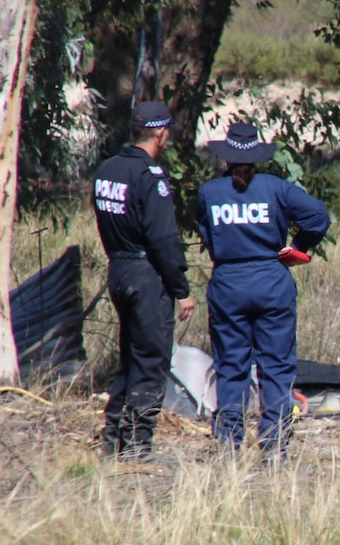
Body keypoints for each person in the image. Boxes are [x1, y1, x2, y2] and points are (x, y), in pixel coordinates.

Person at [197, 122, 329, 459]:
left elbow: (208, 238)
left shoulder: (210, 192)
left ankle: (229, 445)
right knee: (277, 367)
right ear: (256, 156)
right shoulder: (276, 187)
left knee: (231, 366)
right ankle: (274, 447)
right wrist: (295, 248)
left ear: (225, 157)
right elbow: (318, 216)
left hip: (228, 283)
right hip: (272, 281)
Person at [93, 101, 196, 461]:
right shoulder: (150, 176)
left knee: (130, 359)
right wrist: (182, 290)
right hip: (147, 275)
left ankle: (112, 443)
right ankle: (138, 448)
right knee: (151, 362)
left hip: (118, 270)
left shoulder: (107, 170)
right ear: (160, 134)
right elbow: (163, 240)